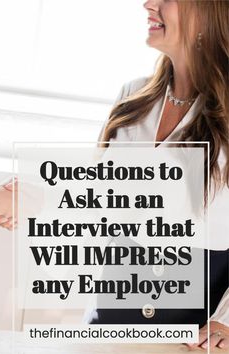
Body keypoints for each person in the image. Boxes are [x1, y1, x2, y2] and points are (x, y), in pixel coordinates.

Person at [87, 0, 229, 350]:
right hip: (109, 327)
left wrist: (226, 320)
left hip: (191, 340)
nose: (149, 4)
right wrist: (23, 199)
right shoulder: (131, 97)